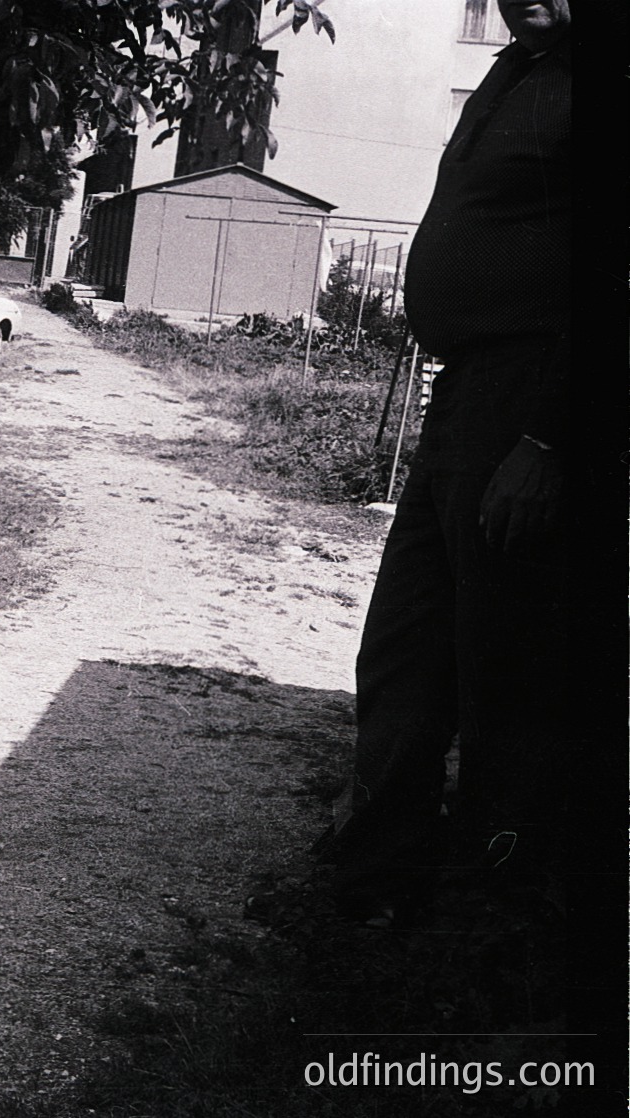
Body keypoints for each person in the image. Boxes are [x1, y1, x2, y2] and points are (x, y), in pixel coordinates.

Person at [318, 0, 571, 922]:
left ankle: (492, 915)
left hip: (531, 393)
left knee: (503, 667)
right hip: (468, 389)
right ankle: (377, 883)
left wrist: (550, 439)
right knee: (405, 647)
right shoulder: (516, 71)